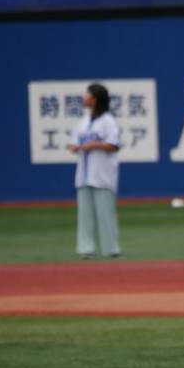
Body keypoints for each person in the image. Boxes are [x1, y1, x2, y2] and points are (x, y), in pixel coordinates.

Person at [67, 83, 122, 259]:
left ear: (95, 99)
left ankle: (111, 248)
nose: (84, 98)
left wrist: (93, 145)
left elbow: (114, 145)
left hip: (102, 173)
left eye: (87, 95)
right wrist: (75, 147)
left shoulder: (108, 121)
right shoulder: (83, 122)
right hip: (84, 174)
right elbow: (74, 141)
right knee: (85, 214)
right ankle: (86, 248)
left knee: (105, 213)